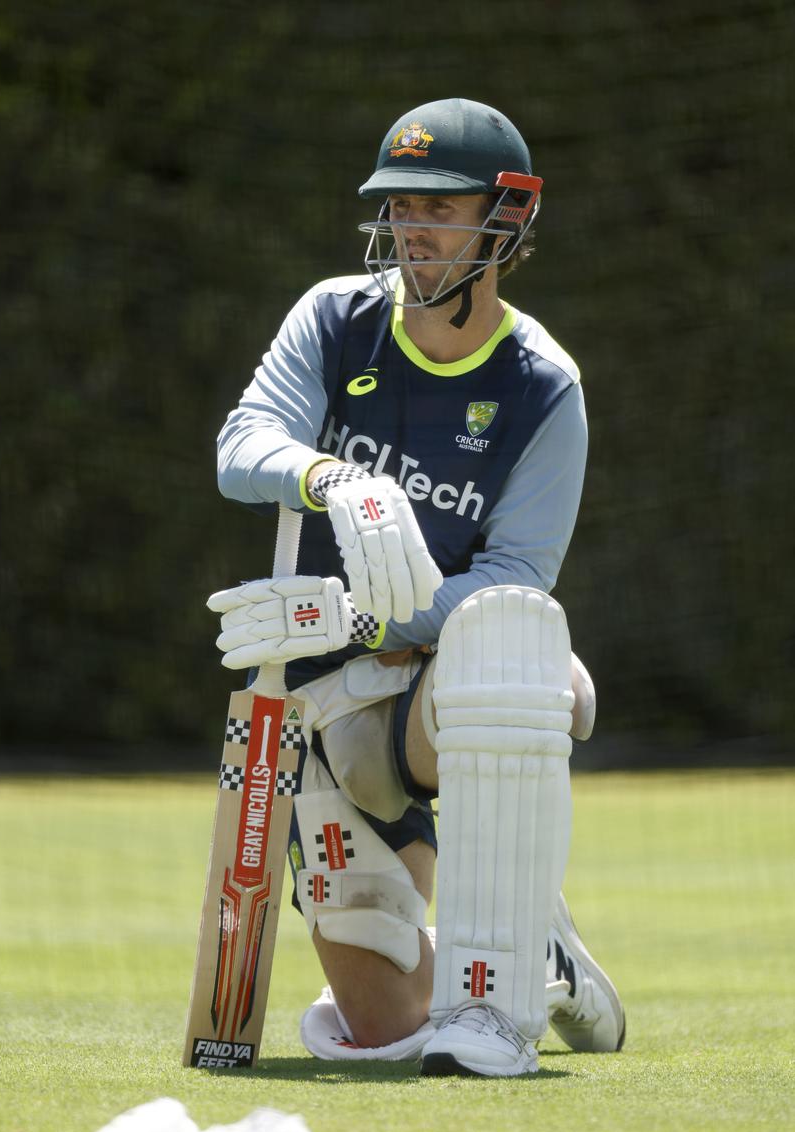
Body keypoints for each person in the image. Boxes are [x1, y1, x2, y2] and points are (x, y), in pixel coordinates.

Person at [207, 98, 625, 1077]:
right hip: (321, 707)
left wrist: (358, 612)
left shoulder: (541, 387)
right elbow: (242, 444)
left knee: (520, 656)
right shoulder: (334, 319)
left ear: (507, 220)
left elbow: (517, 578)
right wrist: (332, 477)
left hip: (439, 694)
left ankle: (498, 1003)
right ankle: (540, 948)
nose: (411, 229)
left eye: (440, 207)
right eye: (398, 206)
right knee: (384, 1027)